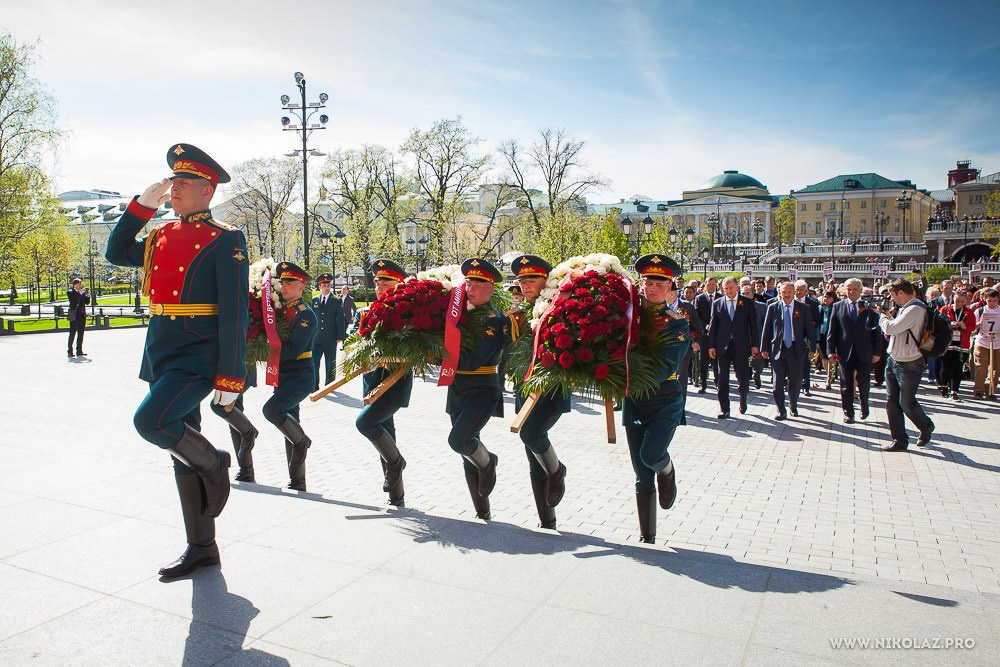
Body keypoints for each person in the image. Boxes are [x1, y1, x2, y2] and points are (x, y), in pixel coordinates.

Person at [105, 143, 247, 578]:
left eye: (183, 182)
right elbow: (115, 252)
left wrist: (231, 375)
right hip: (162, 346)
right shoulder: (162, 234)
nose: (173, 189)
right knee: (180, 447)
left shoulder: (226, 238)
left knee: (152, 423)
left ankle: (216, 462)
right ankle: (202, 547)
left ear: (208, 190)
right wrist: (140, 209)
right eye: (172, 181)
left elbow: (235, 311)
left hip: (198, 351)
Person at [625, 254, 690, 543]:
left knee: (651, 456)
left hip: (664, 399)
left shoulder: (676, 323)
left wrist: (629, 377)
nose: (651, 288)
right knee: (640, 472)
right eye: (647, 282)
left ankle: (667, 469)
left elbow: (666, 365)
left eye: (658, 283)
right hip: (634, 400)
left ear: (669, 288)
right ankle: (647, 535)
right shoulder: (628, 317)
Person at [508, 255, 568, 530]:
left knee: (531, 434)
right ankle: (547, 521)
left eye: (532, 279)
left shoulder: (560, 308)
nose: (525, 284)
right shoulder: (517, 316)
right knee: (531, 454)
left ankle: (557, 470)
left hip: (552, 391)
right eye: (522, 280)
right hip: (525, 390)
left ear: (546, 281)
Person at [447, 258, 510, 520]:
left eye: (478, 283)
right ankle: (482, 513)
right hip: (457, 390)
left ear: (491, 287)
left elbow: (473, 361)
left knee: (459, 441)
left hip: (482, 391)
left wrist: (439, 355)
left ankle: (489, 461)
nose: (471, 287)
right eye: (468, 282)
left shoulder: (493, 320)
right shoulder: (461, 314)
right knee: (466, 452)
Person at [355, 259, 413, 506]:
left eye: (385, 282)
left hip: (393, 383)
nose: (379, 286)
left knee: (366, 423)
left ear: (398, 283)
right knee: (385, 435)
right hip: (372, 382)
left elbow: (413, 347)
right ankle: (396, 497)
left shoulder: (408, 311)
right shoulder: (370, 310)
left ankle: (396, 462)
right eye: (377, 281)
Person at [263, 262, 318, 490]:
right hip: (284, 376)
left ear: (301, 286)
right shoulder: (279, 310)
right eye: (283, 282)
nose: (284, 287)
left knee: (272, 411)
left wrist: (264, 353)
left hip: (300, 375)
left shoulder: (306, 315)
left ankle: (302, 441)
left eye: (290, 283)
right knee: (289, 426)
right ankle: (298, 480)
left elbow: (294, 350)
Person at [879, 278, 935, 451]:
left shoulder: (915, 310)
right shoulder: (906, 308)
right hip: (894, 359)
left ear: (901, 293)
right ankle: (899, 440)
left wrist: (882, 316)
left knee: (907, 403)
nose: (892, 299)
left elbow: (890, 328)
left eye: (892, 295)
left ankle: (926, 426)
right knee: (891, 402)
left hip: (910, 362)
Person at [827, 278, 882, 423]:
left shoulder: (869, 307)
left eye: (855, 289)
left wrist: (877, 352)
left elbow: (876, 332)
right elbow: (832, 331)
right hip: (844, 351)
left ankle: (864, 405)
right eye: (849, 289)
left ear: (860, 290)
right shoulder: (838, 306)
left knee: (863, 382)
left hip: (864, 351)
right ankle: (848, 412)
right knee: (845, 383)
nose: (851, 292)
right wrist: (831, 351)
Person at [707, 276, 760, 418]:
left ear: (737, 287)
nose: (729, 291)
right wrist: (711, 345)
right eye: (726, 289)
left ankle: (743, 399)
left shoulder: (747, 302)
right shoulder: (718, 303)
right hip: (722, 345)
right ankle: (724, 408)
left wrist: (755, 345)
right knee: (722, 377)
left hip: (741, 345)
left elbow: (753, 326)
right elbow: (713, 326)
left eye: (731, 288)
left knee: (742, 376)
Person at [761, 281, 814, 420]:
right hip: (778, 348)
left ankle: (793, 404)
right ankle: (780, 409)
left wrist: (812, 348)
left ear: (794, 293)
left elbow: (810, 330)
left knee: (795, 381)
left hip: (796, 349)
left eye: (789, 292)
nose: (786, 295)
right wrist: (764, 348)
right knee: (777, 382)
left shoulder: (803, 308)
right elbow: (766, 329)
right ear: (780, 293)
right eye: (784, 292)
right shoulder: (773, 307)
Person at [311, 272, 346, 390]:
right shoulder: (315, 300)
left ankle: (329, 385)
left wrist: (340, 336)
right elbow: (312, 318)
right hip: (316, 338)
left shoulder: (336, 300)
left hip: (330, 337)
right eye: (324, 285)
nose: (326, 287)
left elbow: (340, 319)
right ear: (319, 287)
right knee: (314, 362)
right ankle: (314, 386)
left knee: (330, 363)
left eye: (328, 285)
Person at [940, 291, 976, 401]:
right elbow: (940, 323)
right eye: (957, 301)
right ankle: (944, 387)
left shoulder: (969, 312)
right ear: (953, 299)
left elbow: (972, 327)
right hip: (948, 342)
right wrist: (950, 324)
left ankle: (954, 391)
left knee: (957, 367)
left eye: (962, 302)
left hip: (962, 343)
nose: (960, 303)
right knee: (946, 366)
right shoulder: (945, 309)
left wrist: (965, 327)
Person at [695, 276, 721, 394]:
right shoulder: (700, 298)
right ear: (705, 285)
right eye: (709, 285)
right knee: (703, 361)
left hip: (718, 335)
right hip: (705, 335)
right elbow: (697, 317)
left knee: (717, 360)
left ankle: (718, 383)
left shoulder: (721, 297)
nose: (711, 287)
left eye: (713, 285)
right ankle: (703, 384)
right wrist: (706, 326)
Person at [794, 279, 821, 395]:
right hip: (792, 336)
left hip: (806, 337)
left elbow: (817, 320)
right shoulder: (790, 301)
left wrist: (808, 327)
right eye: (797, 290)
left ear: (806, 291)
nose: (798, 292)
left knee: (805, 363)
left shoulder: (813, 303)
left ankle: (805, 386)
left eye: (801, 290)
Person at [972, 288, 1000, 399]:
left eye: (995, 301)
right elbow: (972, 327)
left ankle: (990, 390)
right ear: (985, 300)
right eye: (989, 301)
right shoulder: (979, 311)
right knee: (981, 367)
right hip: (982, 341)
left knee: (995, 369)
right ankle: (978, 390)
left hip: (997, 342)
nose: (992, 303)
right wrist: (980, 323)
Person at [741, 283, 766, 389]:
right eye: (743, 293)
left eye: (748, 293)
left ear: (753, 294)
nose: (745, 295)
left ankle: (756, 376)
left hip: (757, 340)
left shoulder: (761, 307)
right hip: (742, 340)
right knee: (742, 364)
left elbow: (766, 324)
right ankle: (744, 382)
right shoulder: (737, 306)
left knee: (758, 364)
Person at [66, 278, 90, 358]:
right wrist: (79, 293)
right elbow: (73, 301)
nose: (80, 286)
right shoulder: (70, 292)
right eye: (79, 284)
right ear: (75, 285)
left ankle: (79, 350)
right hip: (74, 315)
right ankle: (70, 350)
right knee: (72, 333)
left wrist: (87, 295)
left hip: (82, 315)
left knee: (81, 333)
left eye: (80, 284)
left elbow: (86, 302)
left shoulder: (81, 293)